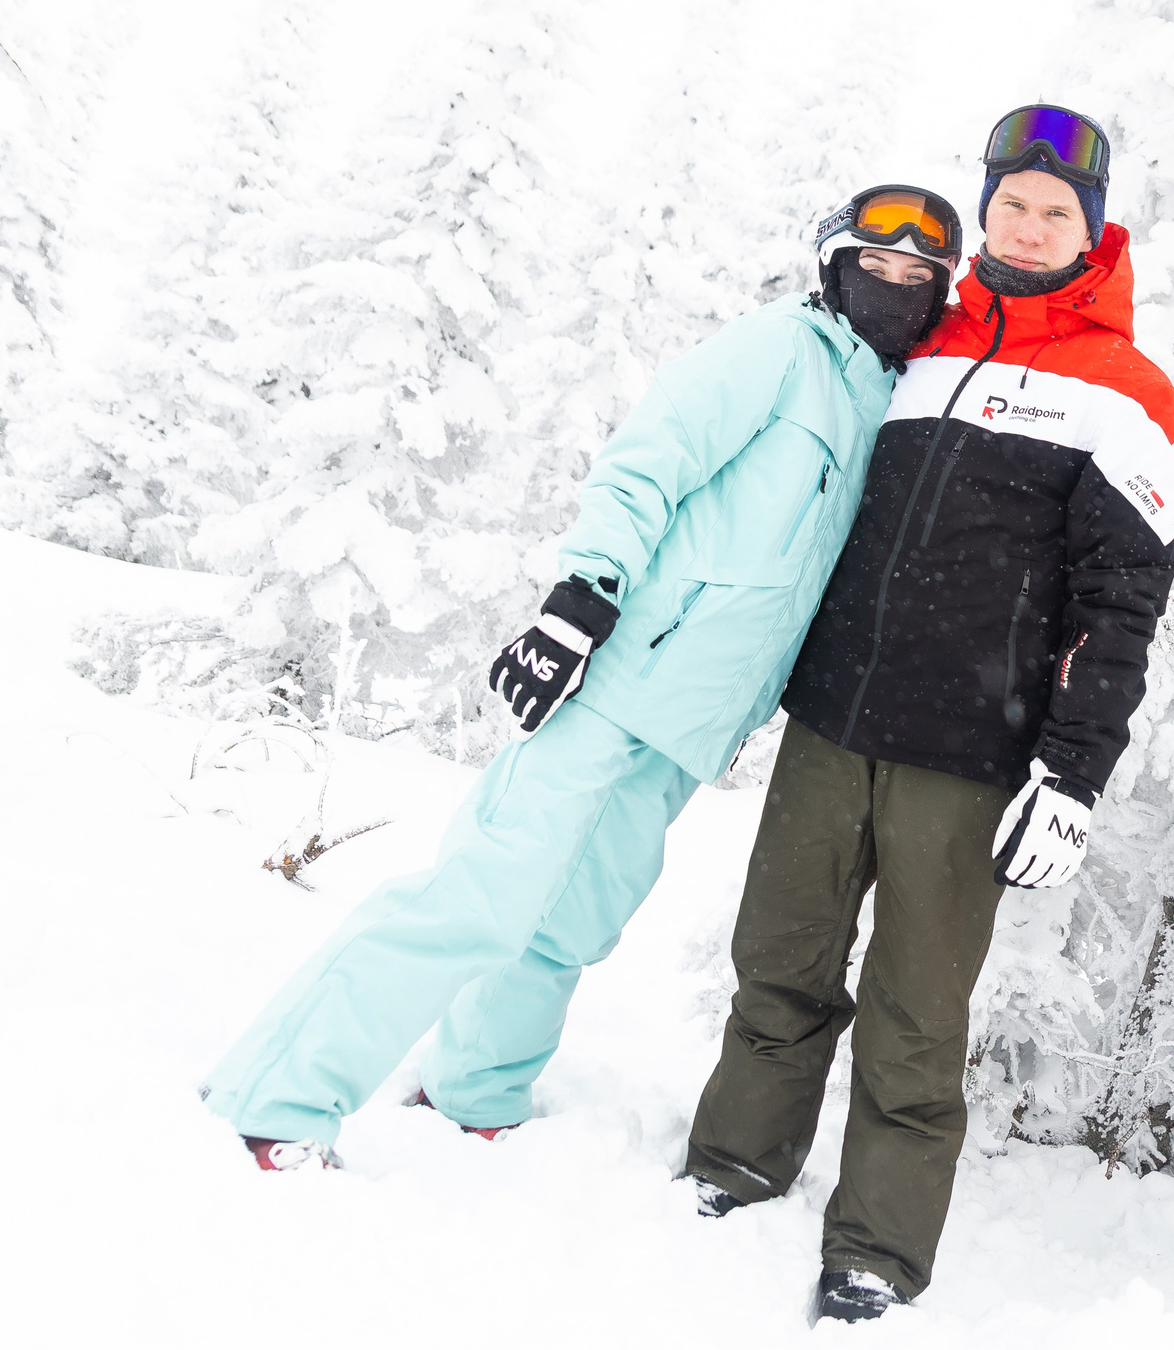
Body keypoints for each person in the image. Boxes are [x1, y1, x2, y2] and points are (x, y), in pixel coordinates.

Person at [201, 185, 964, 1167]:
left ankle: (478, 1085)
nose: (893, 290)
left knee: (571, 920)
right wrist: (579, 603)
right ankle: (277, 1096)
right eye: (875, 267)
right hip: (618, 681)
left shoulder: (882, 404)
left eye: (917, 279)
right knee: (480, 895)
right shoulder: (781, 350)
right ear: (832, 268)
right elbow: (649, 460)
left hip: (696, 720)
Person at [682, 105, 1174, 1321]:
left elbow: (1119, 603)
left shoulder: (1127, 390)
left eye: (1053, 210)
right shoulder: (917, 344)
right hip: (833, 722)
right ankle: (732, 1167)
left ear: (1093, 229)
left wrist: (1071, 773)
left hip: (965, 761)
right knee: (778, 964)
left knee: (915, 1016)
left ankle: (875, 1248)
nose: (1025, 222)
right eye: (1009, 201)